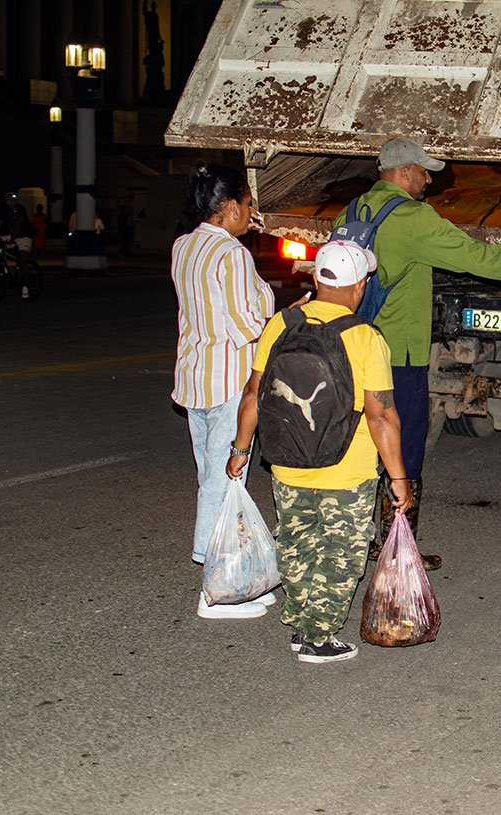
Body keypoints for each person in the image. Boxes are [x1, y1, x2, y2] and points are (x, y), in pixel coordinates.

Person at [336, 137, 501, 570]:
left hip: (354, 344)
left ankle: (364, 541)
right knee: (404, 446)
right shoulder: (413, 217)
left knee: (362, 444)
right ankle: (400, 549)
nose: (429, 179)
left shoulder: (352, 211)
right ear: (405, 171)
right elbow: (474, 256)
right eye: (424, 171)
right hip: (398, 354)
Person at [226, 240, 412, 663]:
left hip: (288, 461)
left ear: (315, 277)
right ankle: (319, 636)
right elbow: (381, 416)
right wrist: (398, 477)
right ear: (360, 286)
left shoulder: (280, 324)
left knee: (296, 541)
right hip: (347, 468)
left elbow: (253, 393)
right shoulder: (366, 337)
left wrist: (240, 448)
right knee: (341, 550)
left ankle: (300, 622)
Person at [170, 160, 276, 620]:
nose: (252, 213)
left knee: (215, 475)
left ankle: (239, 572)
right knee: (224, 477)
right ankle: (214, 588)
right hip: (229, 381)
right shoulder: (232, 255)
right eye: (249, 204)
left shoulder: (183, 246)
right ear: (231, 206)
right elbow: (248, 324)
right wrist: (271, 299)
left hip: (195, 379)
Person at [0, 192, 34, 298]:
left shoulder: (20, 209)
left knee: (22, 260)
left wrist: (13, 238)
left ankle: (25, 287)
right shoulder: (3, 210)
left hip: (24, 237)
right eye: (8, 200)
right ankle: (1, 267)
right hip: (11, 236)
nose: (10, 202)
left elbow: (19, 223)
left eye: (12, 200)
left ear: (16, 201)